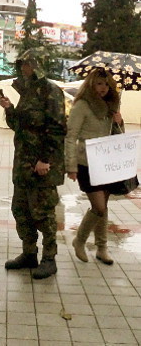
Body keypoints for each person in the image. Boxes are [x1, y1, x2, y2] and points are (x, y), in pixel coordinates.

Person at [0, 49, 66, 280]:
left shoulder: (50, 90)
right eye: (21, 65)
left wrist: (45, 159)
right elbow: (19, 125)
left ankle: (49, 258)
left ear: (37, 65)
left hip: (42, 167)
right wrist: (9, 108)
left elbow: (57, 128)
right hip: (24, 166)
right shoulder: (27, 91)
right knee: (21, 211)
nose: (22, 68)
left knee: (44, 214)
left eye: (26, 64)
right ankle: (29, 253)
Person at [65, 68, 123, 265]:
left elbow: (118, 137)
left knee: (103, 207)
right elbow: (71, 136)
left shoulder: (110, 106)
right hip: (86, 163)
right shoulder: (82, 105)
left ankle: (101, 247)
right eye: (99, 84)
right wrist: (71, 165)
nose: (103, 88)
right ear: (91, 84)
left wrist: (119, 122)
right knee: (98, 207)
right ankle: (79, 240)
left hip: (105, 163)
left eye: (106, 84)